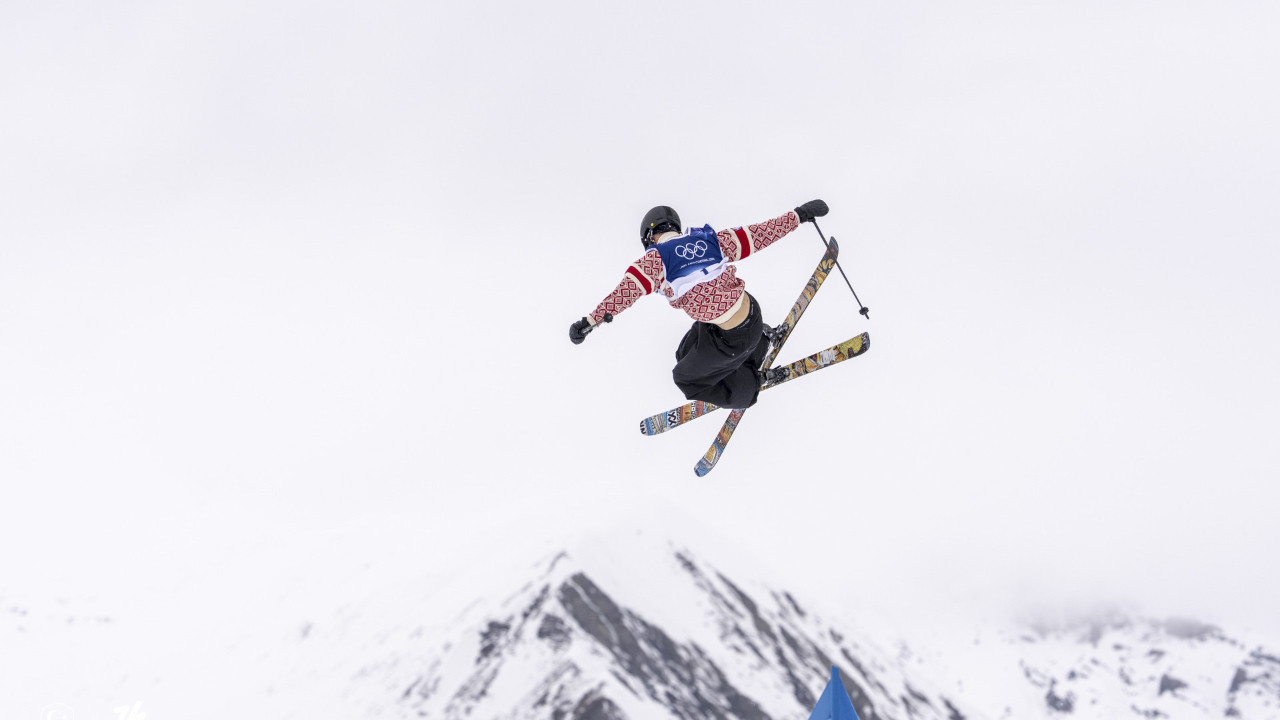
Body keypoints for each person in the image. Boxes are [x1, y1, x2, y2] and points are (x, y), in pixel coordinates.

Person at [569, 200, 829, 409]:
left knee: (686, 379)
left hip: (733, 340)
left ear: (650, 237)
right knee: (684, 353)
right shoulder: (708, 239)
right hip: (750, 313)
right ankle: (759, 340)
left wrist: (589, 323)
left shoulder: (654, 261)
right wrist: (800, 214)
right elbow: (759, 233)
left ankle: (751, 383)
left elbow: (622, 295)